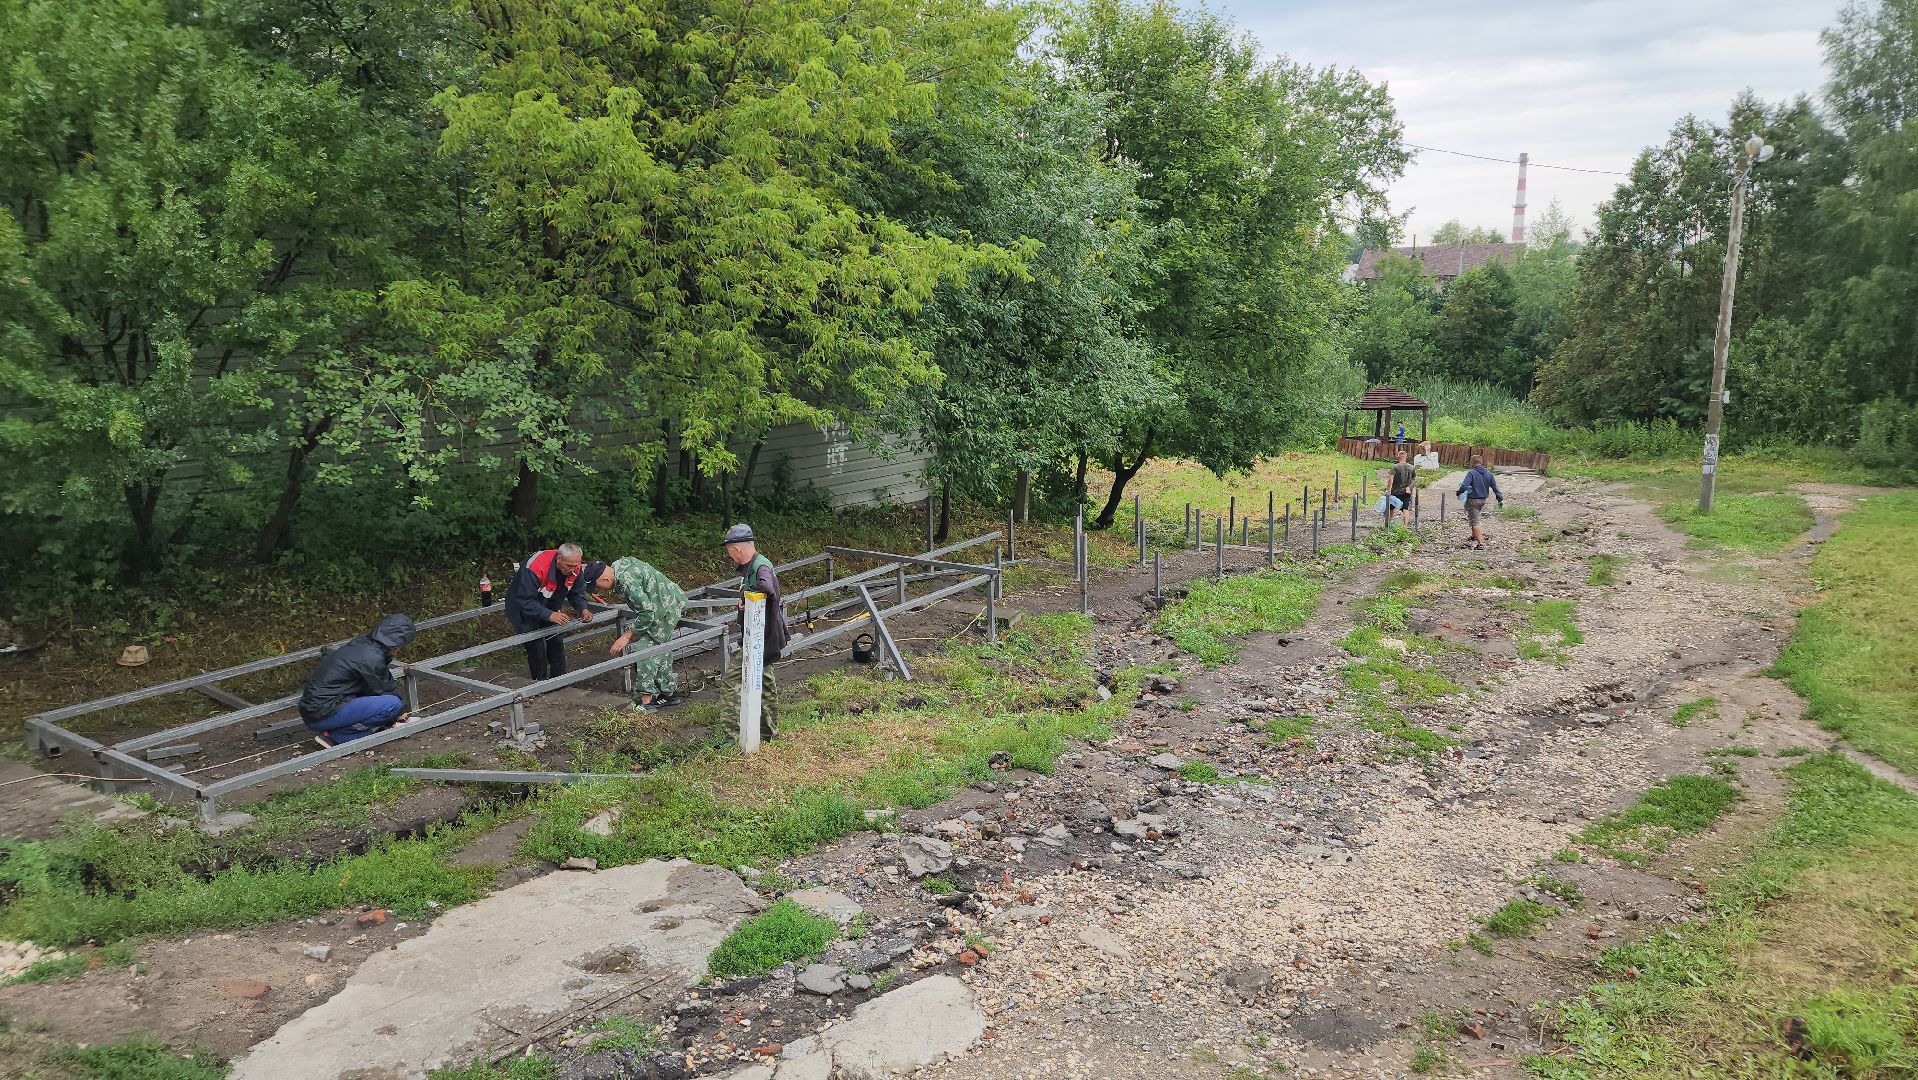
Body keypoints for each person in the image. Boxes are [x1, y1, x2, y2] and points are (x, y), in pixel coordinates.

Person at [299, 615, 417, 748]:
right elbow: (384, 690)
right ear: (395, 642)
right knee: (392, 704)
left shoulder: (362, 644)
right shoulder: (371, 658)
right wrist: (400, 713)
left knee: (387, 707)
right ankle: (340, 735)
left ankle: (337, 731)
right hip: (323, 712)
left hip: (315, 709)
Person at [720, 523, 790, 741]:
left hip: (761, 637)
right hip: (760, 636)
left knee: (731, 681)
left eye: (730, 552)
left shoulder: (761, 566)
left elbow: (766, 587)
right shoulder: (753, 565)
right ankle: (769, 733)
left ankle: (732, 736)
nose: (731, 556)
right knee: (766, 684)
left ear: (736, 549)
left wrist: (746, 594)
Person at [595, 558, 687, 711]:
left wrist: (627, 636)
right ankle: (669, 694)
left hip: (665, 609)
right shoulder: (620, 566)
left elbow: (646, 614)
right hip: (668, 601)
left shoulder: (627, 582)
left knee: (645, 650)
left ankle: (646, 701)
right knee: (661, 650)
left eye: (598, 586)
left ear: (606, 579)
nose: (600, 590)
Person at [504, 543, 598, 680]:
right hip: (523, 609)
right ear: (559, 558)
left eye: (576, 565)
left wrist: (583, 608)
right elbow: (524, 600)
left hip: (550, 604)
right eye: (569, 566)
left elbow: (577, 592)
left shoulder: (575, 568)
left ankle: (559, 682)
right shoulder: (536, 567)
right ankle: (540, 684)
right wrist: (550, 615)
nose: (573, 569)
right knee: (536, 648)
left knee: (556, 643)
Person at [1455, 454, 1505, 550]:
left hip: (1473, 500)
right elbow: (1495, 487)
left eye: (1471, 462)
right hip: (1483, 500)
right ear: (1481, 462)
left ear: (1473, 462)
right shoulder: (1489, 473)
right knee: (1474, 517)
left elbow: (1464, 485)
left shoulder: (1472, 473)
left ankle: (1480, 544)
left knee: (1475, 521)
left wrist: (1459, 492)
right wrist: (1499, 498)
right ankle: (1473, 537)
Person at [1388, 448, 1417, 527]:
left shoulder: (1395, 467)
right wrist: (1410, 487)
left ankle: (1388, 524)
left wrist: (1389, 489)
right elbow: (1415, 479)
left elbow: (1390, 479)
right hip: (1406, 491)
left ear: (1398, 457)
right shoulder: (1411, 467)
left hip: (1395, 491)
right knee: (1405, 508)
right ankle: (1405, 526)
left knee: (1391, 508)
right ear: (1406, 457)